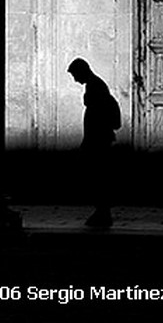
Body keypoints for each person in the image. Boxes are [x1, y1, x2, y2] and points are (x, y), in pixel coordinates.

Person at [67, 58, 121, 228]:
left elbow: (98, 117)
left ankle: (103, 212)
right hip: (97, 139)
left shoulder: (95, 86)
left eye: (75, 75)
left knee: (97, 176)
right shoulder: (95, 85)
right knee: (97, 176)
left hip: (98, 140)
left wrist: (89, 141)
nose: (75, 79)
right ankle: (101, 212)